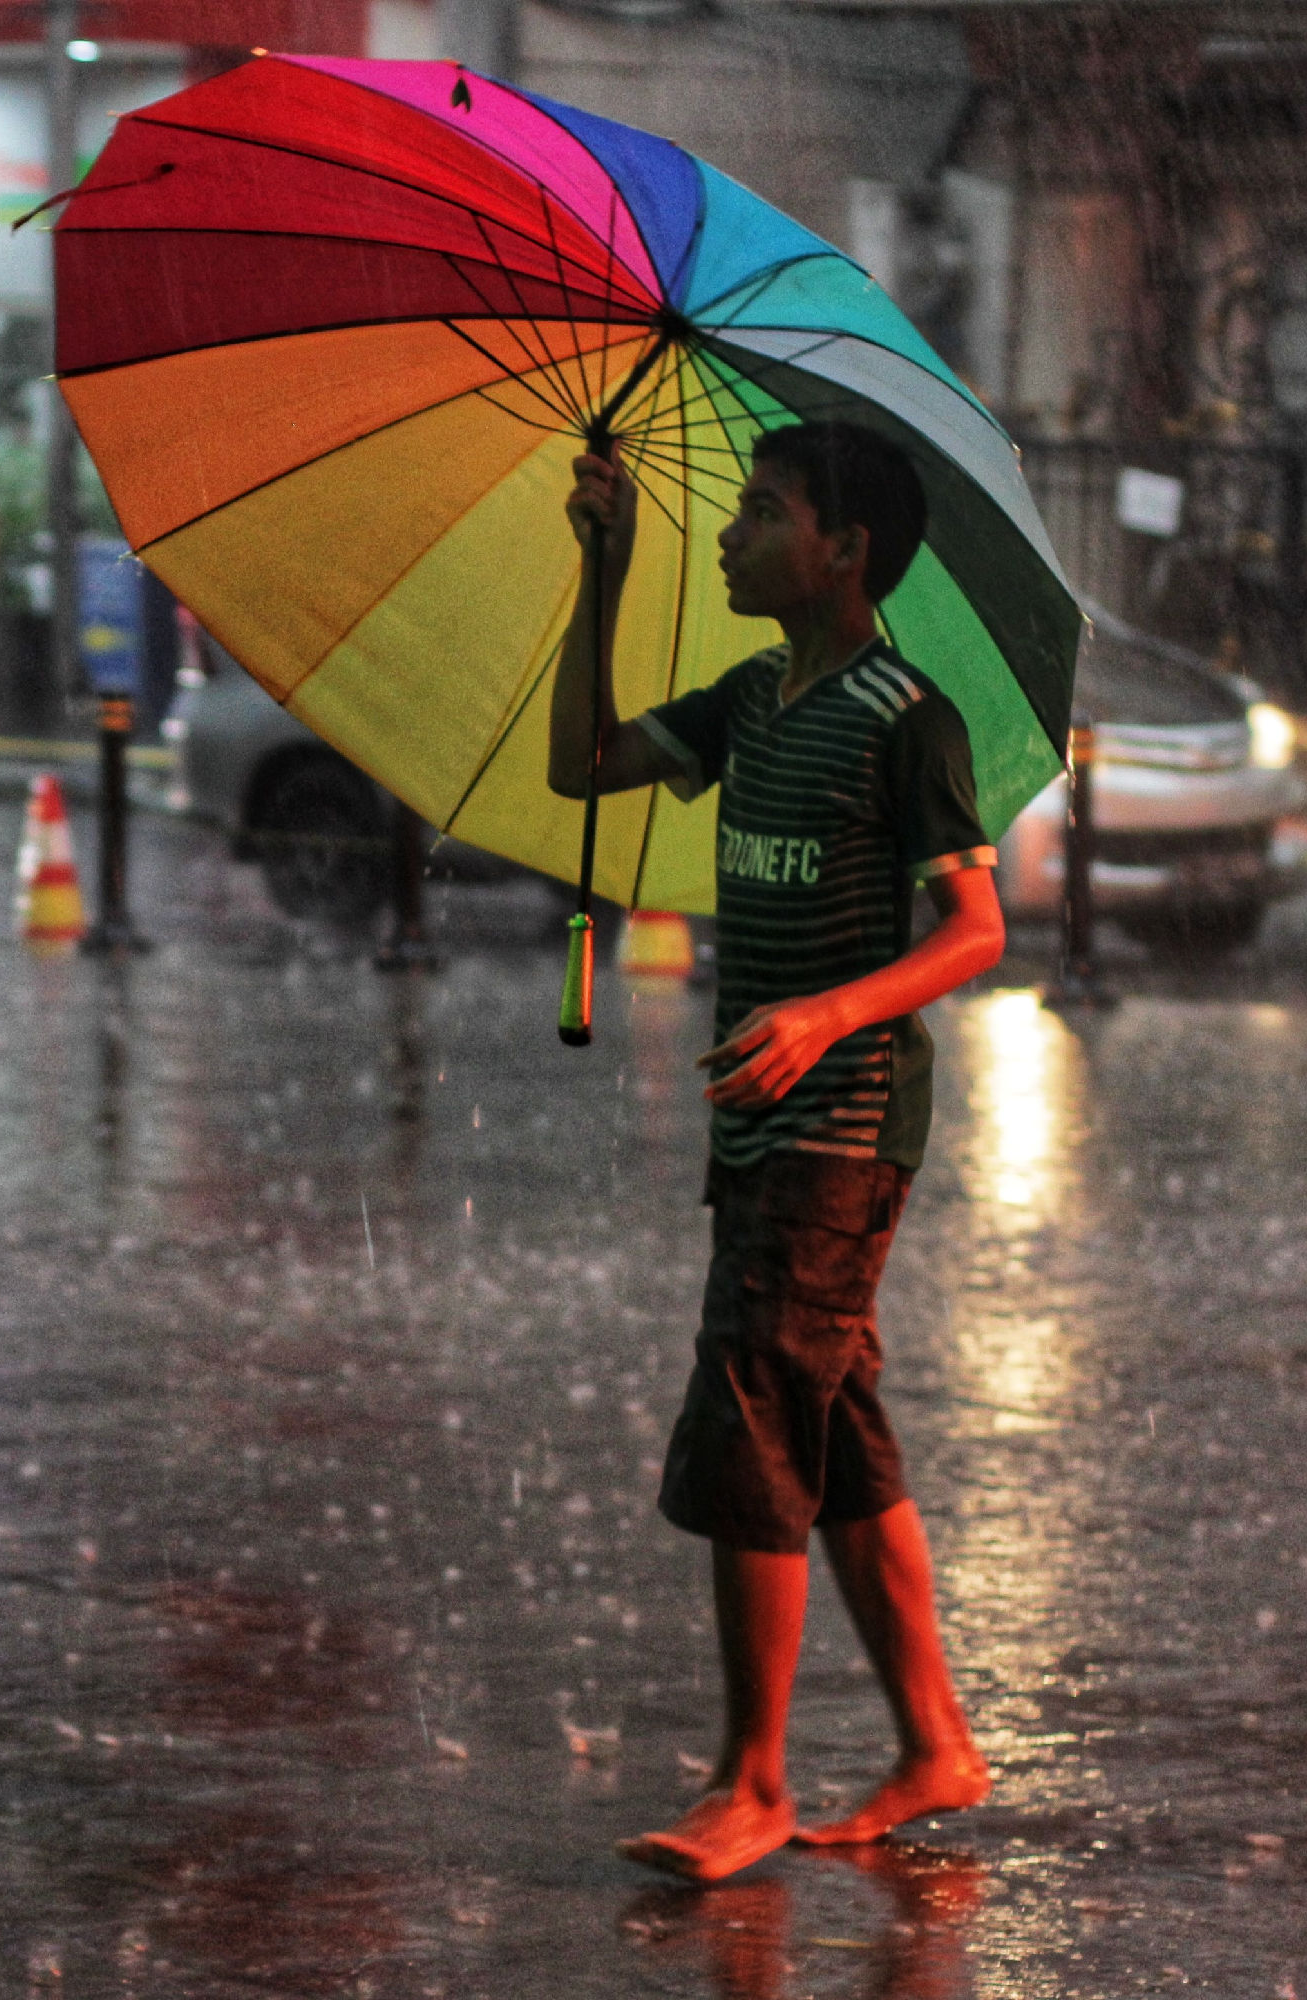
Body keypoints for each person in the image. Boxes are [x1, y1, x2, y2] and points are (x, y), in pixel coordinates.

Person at [549, 420, 1002, 1883]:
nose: (734, 535)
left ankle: (751, 1780)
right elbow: (584, 763)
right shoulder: (752, 700)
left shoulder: (905, 717)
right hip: (763, 1125)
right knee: (833, 1427)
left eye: (762, 513)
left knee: (752, 1415)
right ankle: (934, 1742)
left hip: (845, 1122)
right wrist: (600, 570)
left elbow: (979, 930)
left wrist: (824, 1015)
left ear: (844, 551)